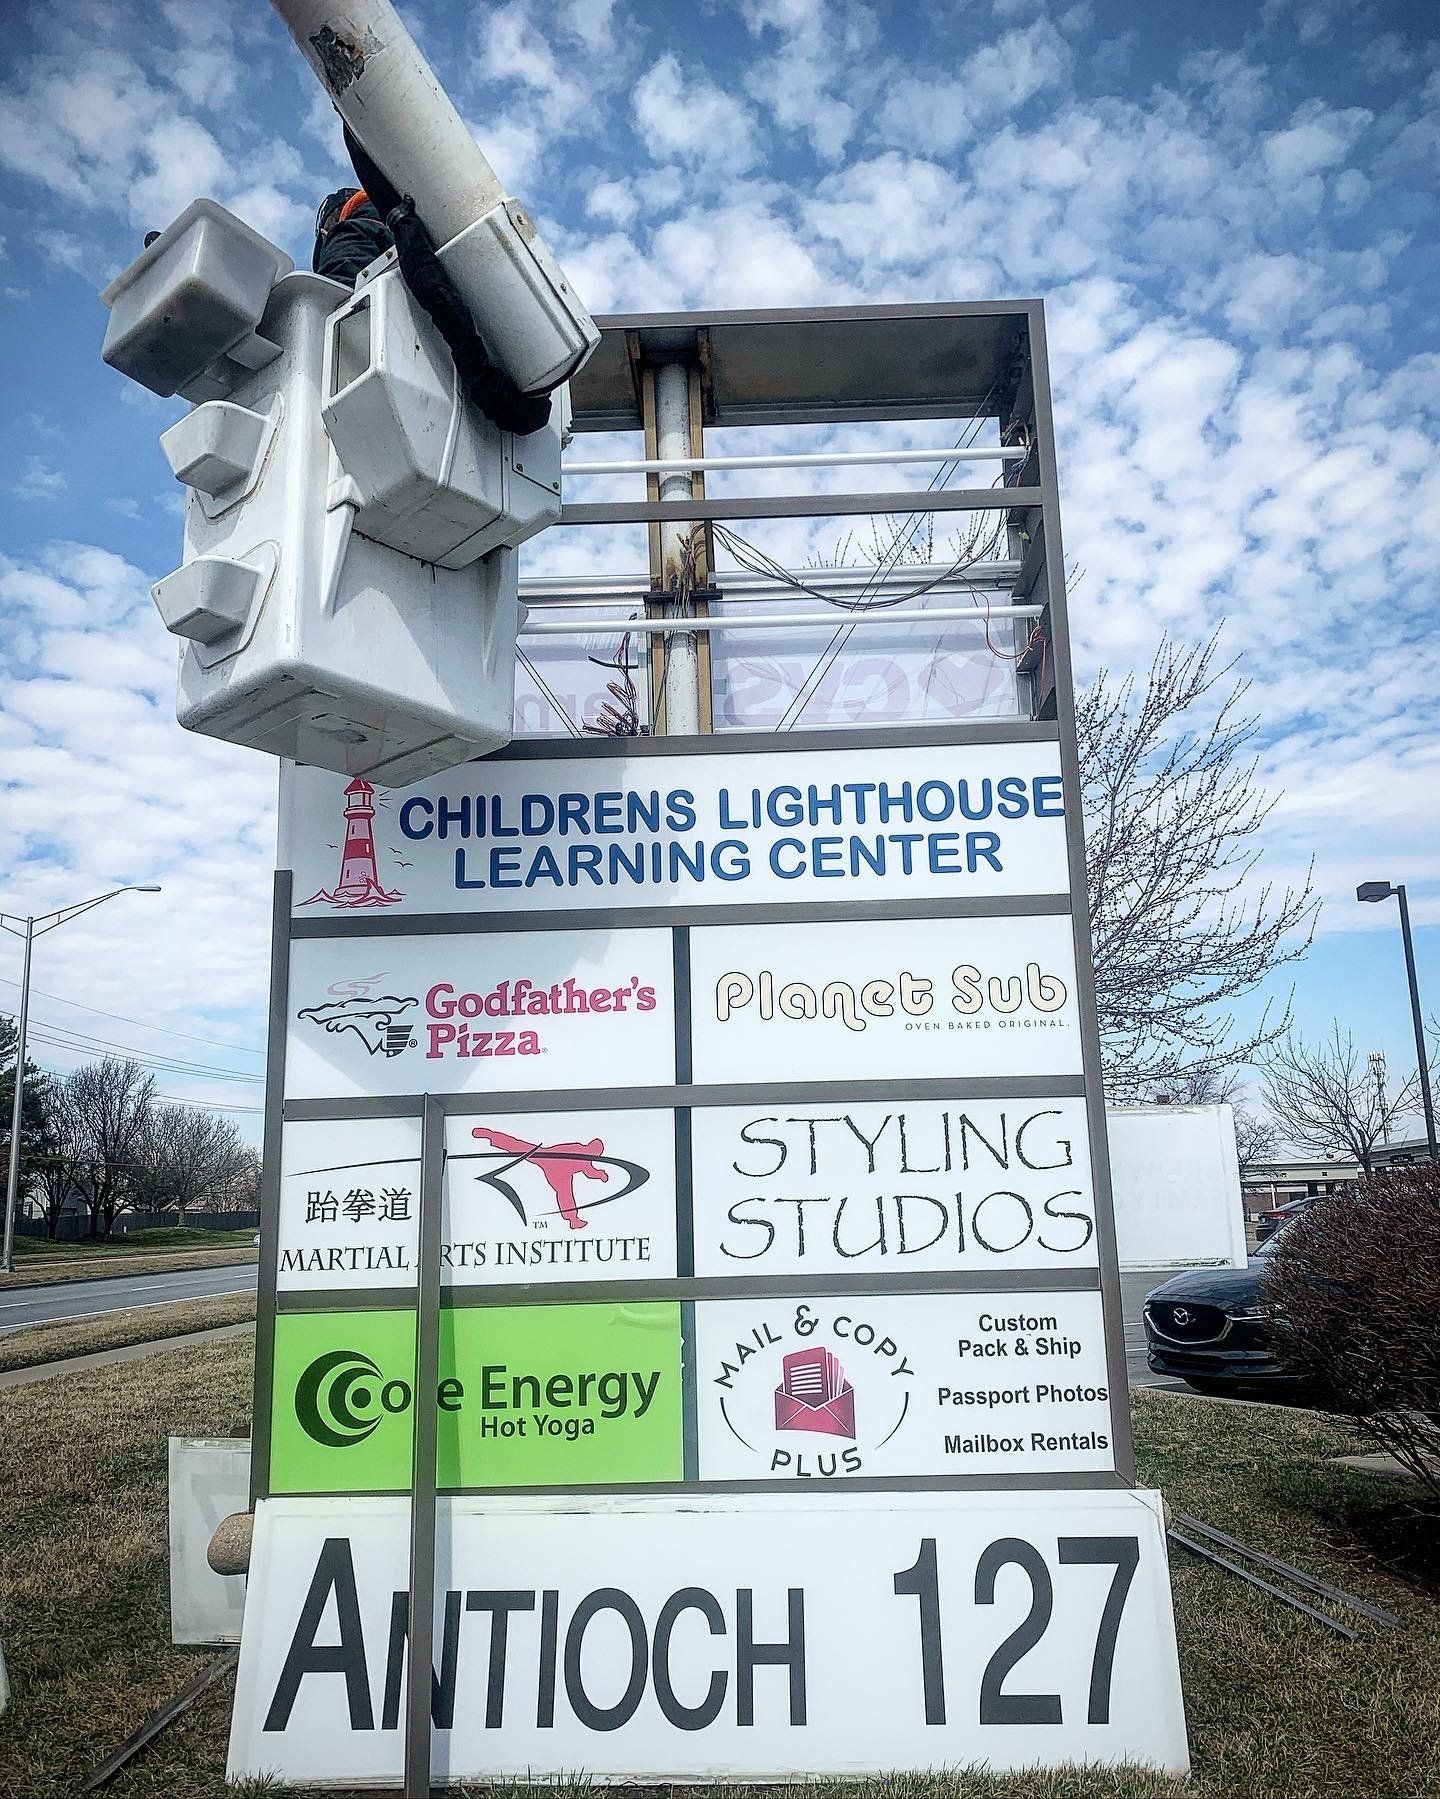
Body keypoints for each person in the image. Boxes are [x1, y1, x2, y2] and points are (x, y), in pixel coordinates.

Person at [311, 125, 549, 437]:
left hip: (388, 405)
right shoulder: (429, 238)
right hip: (476, 411)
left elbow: (337, 303)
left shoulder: (353, 231)